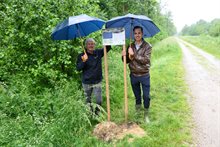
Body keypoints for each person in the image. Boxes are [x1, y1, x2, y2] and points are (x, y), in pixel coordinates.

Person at [122, 26, 152, 123]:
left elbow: (146, 60)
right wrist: (124, 56)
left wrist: (133, 55)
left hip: (144, 75)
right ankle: (138, 115)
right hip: (133, 75)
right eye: (135, 33)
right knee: (137, 96)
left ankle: (146, 115)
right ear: (133, 35)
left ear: (142, 34)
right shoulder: (130, 46)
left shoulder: (148, 46)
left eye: (139, 33)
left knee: (146, 96)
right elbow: (126, 61)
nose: (137, 35)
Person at [76, 38, 111, 115]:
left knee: (99, 100)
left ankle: (97, 114)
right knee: (88, 101)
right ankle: (91, 114)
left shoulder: (98, 53)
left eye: (92, 44)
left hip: (97, 81)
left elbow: (108, 48)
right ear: (86, 45)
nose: (91, 45)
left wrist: (107, 37)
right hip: (86, 82)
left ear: (94, 45)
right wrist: (84, 61)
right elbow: (78, 68)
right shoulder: (81, 55)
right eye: (89, 44)